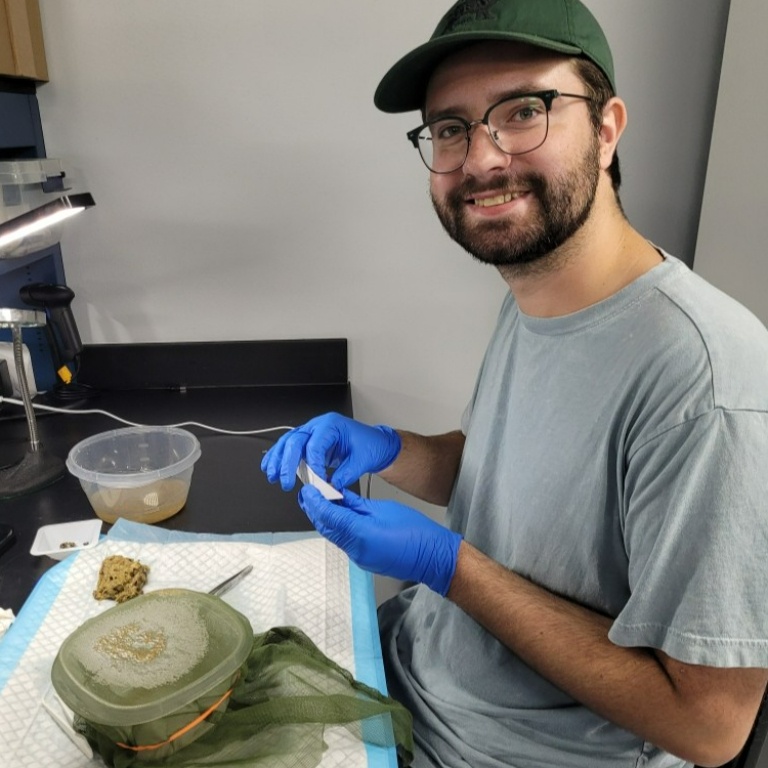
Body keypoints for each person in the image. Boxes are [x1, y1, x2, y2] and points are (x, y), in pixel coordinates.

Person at [261, 1, 768, 766]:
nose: (482, 159)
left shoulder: (706, 385)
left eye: (524, 111)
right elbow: (519, 481)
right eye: (452, 127)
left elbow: (710, 729)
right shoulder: (535, 293)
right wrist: (389, 449)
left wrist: (450, 566)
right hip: (420, 669)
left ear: (606, 130)